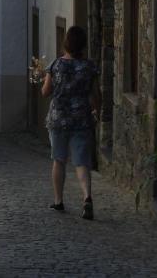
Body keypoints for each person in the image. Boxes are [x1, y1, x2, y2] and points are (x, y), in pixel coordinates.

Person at [41, 25, 101, 219]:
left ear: (66, 43)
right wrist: (96, 110)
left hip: (59, 118)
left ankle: (58, 201)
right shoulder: (89, 67)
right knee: (82, 161)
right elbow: (95, 94)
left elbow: (45, 91)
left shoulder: (56, 65)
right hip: (81, 118)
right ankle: (87, 198)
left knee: (59, 159)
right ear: (82, 45)